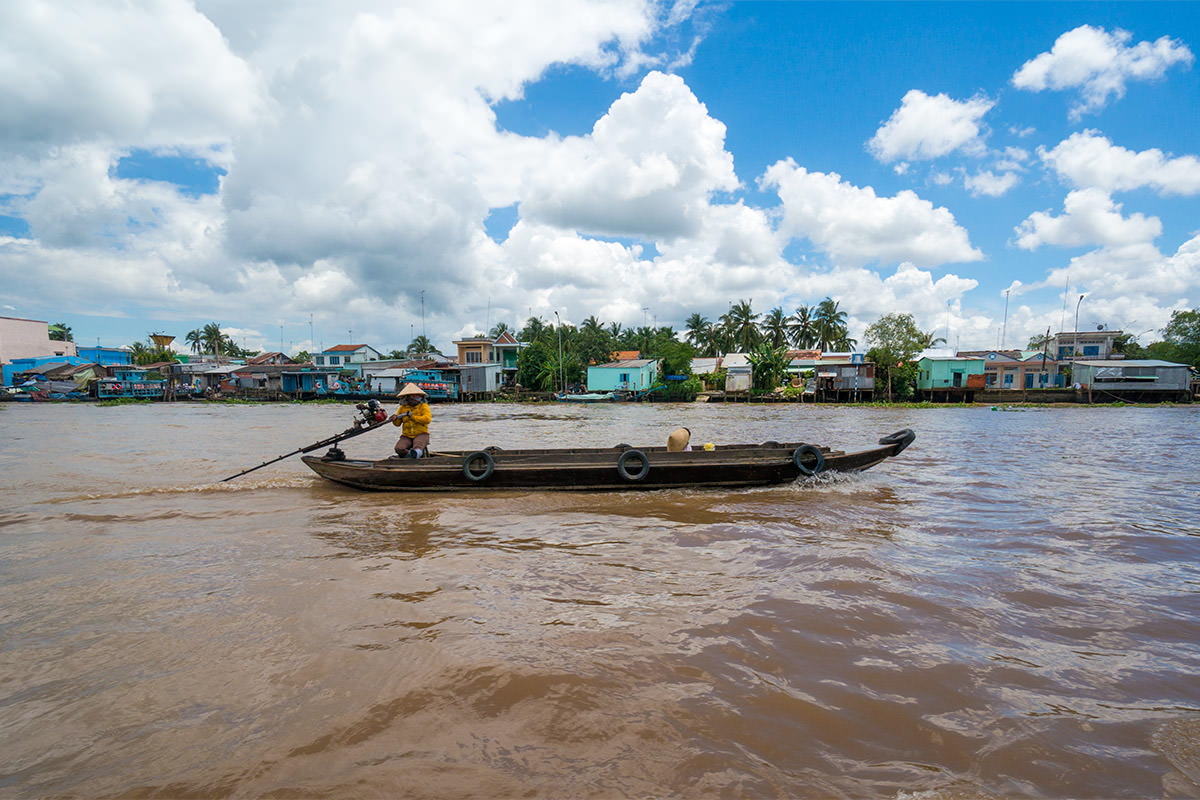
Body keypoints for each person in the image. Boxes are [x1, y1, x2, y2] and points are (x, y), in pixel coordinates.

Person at [393, 383, 432, 458]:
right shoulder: (402, 408)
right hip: (406, 436)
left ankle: (416, 454)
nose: (415, 397)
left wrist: (413, 417)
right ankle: (410, 455)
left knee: (418, 446)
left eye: (417, 395)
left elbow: (427, 419)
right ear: (407, 397)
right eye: (413, 395)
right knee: (399, 448)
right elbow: (397, 424)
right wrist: (394, 419)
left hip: (421, 434)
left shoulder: (423, 406)